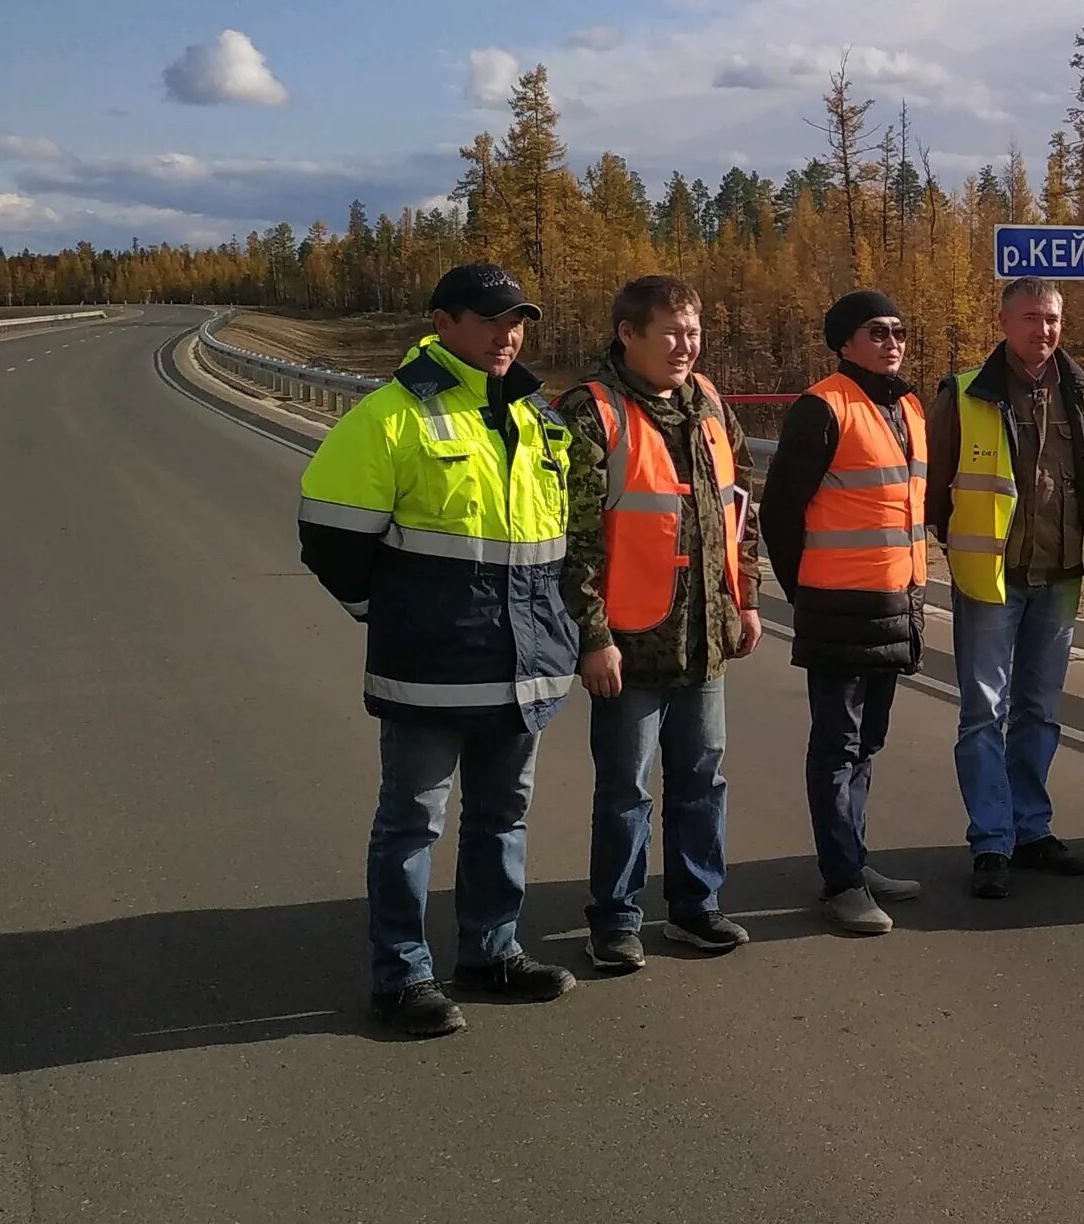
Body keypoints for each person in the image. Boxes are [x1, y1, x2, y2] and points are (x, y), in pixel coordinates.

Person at [297, 262, 580, 1038]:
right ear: (442, 322)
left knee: (502, 817)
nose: (507, 333)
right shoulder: (393, 414)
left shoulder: (537, 417)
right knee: (413, 822)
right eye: (490, 318)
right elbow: (328, 536)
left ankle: (490, 952)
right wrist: (388, 613)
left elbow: (557, 545)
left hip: (522, 668)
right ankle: (402, 976)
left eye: (516, 319)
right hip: (430, 668)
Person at [556, 276, 761, 974]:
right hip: (629, 645)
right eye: (670, 332)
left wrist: (748, 599)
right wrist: (593, 635)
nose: (685, 346)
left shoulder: (707, 402)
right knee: (625, 790)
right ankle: (614, 920)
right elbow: (574, 539)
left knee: (702, 778)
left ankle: (695, 906)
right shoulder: (593, 411)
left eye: (694, 332)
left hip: (704, 639)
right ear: (628, 334)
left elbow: (739, 509)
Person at [927, 277, 1084, 898]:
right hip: (991, 580)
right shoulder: (965, 391)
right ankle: (991, 842)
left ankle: (1031, 829)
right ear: (1002, 321)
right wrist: (961, 543)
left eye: (1052, 318)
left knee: (1039, 712)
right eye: (1030, 318)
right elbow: (936, 487)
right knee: (983, 715)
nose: (1043, 330)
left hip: (1060, 577)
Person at [758, 290, 932, 934]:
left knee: (867, 744)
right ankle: (841, 881)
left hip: (896, 602)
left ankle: (854, 860)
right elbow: (779, 513)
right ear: (844, 343)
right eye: (877, 331)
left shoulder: (908, 406)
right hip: (837, 605)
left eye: (899, 330)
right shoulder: (822, 407)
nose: (893, 341)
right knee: (837, 746)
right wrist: (804, 594)